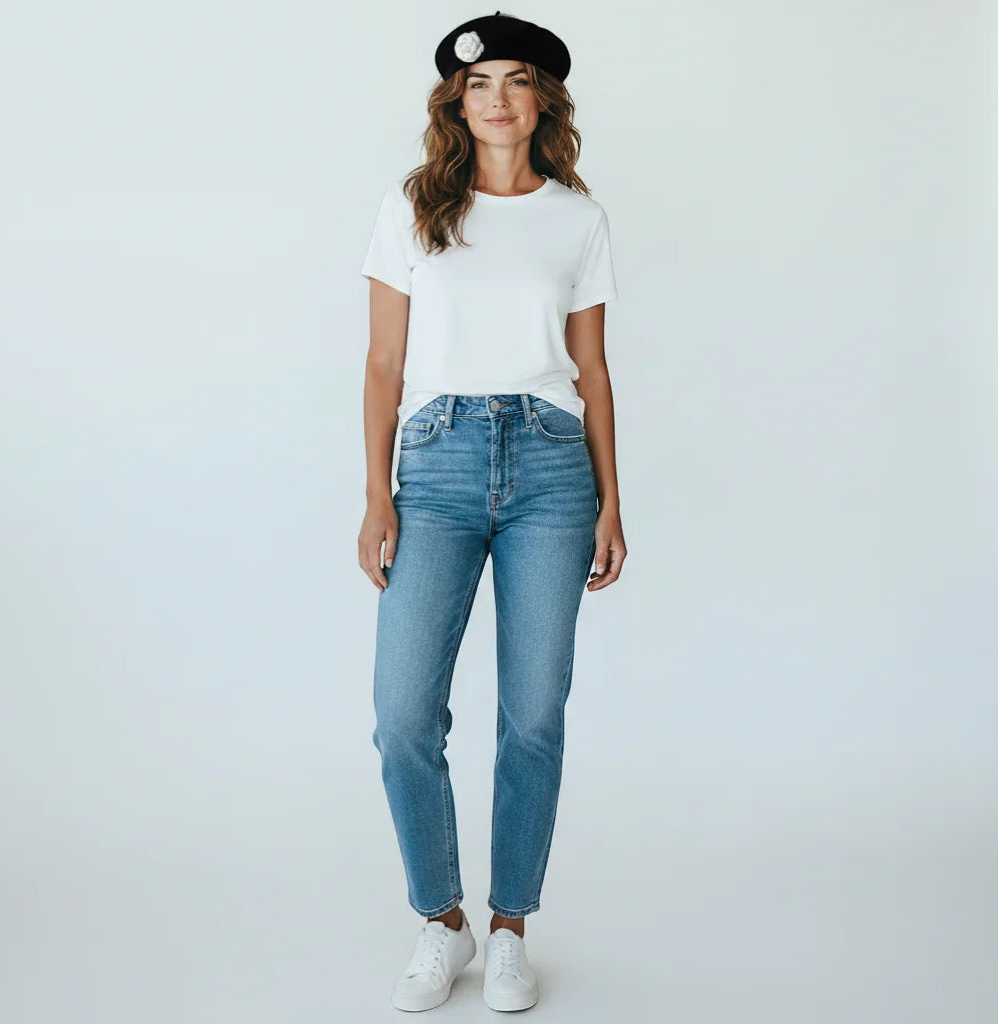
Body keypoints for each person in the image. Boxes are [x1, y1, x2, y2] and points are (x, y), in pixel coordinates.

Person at [357, 11, 627, 1013]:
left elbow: (592, 368)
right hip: (433, 464)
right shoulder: (413, 207)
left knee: (532, 717)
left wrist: (611, 502)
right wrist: (374, 491)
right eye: (480, 84)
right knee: (401, 719)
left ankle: (510, 925)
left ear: (542, 101)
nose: (498, 98)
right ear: (457, 103)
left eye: (517, 81)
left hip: (555, 471)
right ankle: (444, 920)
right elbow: (384, 362)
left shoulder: (578, 218)